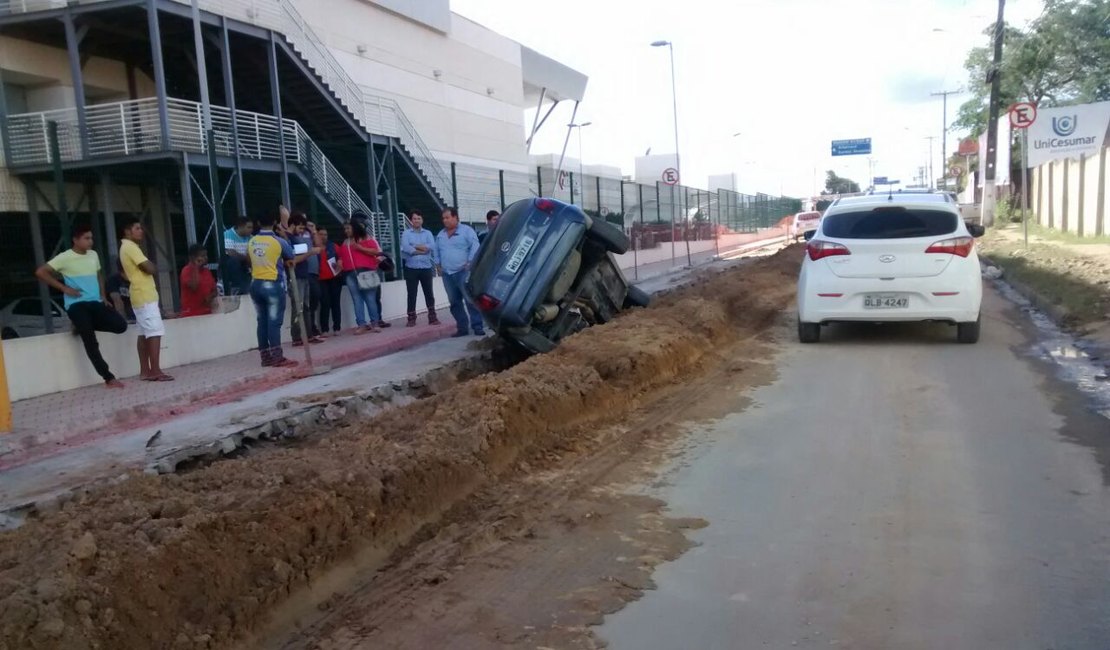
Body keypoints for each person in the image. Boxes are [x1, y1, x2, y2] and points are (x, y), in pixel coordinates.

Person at [34, 224, 128, 389]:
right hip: (76, 305)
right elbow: (41, 272)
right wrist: (64, 288)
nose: (90, 241)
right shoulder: (64, 257)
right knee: (90, 341)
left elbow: (98, 274)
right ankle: (109, 378)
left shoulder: (93, 255)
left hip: (95, 302)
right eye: (86, 238)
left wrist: (103, 296)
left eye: (91, 238)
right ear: (75, 240)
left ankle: (83, 326)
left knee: (121, 325)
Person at [119, 217, 173, 381]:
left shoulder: (126, 247)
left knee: (143, 333)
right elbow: (150, 268)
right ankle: (155, 370)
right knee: (155, 331)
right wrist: (152, 265)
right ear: (127, 231)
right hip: (144, 295)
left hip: (139, 295)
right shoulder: (131, 247)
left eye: (141, 228)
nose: (141, 231)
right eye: (136, 228)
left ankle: (145, 371)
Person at [247, 210, 297, 367]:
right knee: (274, 322)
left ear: (259, 223)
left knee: (261, 321)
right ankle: (277, 357)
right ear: (275, 223)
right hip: (272, 283)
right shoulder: (278, 242)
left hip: (255, 284)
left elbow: (249, 260)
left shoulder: (252, 241)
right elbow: (291, 255)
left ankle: (265, 357)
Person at [435, 207, 485, 337]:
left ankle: (477, 326)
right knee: (454, 302)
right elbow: (437, 251)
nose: (445, 220)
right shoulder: (440, 235)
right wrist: (437, 265)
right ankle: (462, 328)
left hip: (463, 272)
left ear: (455, 217)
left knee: (469, 300)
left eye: (447, 217)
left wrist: (469, 262)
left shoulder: (467, 231)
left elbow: (475, 246)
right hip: (447, 274)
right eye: (443, 218)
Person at [338, 219, 383, 334]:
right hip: (350, 274)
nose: (346, 231)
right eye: (345, 229)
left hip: (366, 272)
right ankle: (361, 324)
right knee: (357, 300)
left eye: (348, 228)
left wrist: (360, 248)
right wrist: (340, 261)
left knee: (370, 299)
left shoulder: (367, 238)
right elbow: (341, 256)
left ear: (354, 228)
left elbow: (376, 252)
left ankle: (375, 323)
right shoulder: (345, 242)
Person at [286, 213, 323, 345]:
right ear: (292, 225)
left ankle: (308, 335)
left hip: (304, 275)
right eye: (300, 228)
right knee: (298, 307)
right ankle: (296, 337)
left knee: (305, 307)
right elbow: (293, 260)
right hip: (296, 276)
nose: (302, 231)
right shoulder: (288, 239)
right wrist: (310, 253)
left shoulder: (296, 238)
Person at [400, 209, 438, 327]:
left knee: (429, 293)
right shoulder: (406, 233)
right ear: (411, 221)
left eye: (419, 218)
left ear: (422, 220)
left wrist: (415, 246)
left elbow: (430, 247)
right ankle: (411, 318)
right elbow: (406, 248)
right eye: (414, 218)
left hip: (426, 267)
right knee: (411, 293)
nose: (416, 220)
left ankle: (432, 317)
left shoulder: (428, 233)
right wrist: (421, 250)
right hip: (411, 268)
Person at [316, 227, 344, 336]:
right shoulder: (313, 247)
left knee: (335, 303)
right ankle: (324, 329)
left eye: (325, 235)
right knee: (325, 304)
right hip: (321, 280)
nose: (323, 237)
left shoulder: (333, 246)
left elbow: (341, 256)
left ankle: (337, 327)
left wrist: (340, 261)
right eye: (321, 234)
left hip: (335, 278)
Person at [179, 244, 217, 318]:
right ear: (193, 258)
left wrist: (210, 296)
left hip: (206, 312)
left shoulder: (207, 271)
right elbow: (194, 286)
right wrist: (195, 267)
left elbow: (214, 290)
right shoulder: (186, 270)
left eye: (206, 255)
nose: (206, 258)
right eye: (202, 256)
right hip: (191, 314)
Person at [222, 217, 253, 296]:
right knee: (233, 261)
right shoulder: (228, 234)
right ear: (240, 226)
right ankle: (236, 287)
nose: (251, 230)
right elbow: (231, 252)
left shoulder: (251, 238)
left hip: (245, 264)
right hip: (232, 265)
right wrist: (246, 258)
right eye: (248, 227)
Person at [105, 257, 134, 322]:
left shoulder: (137, 278)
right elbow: (117, 301)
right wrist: (124, 320)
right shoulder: (113, 280)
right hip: (118, 315)